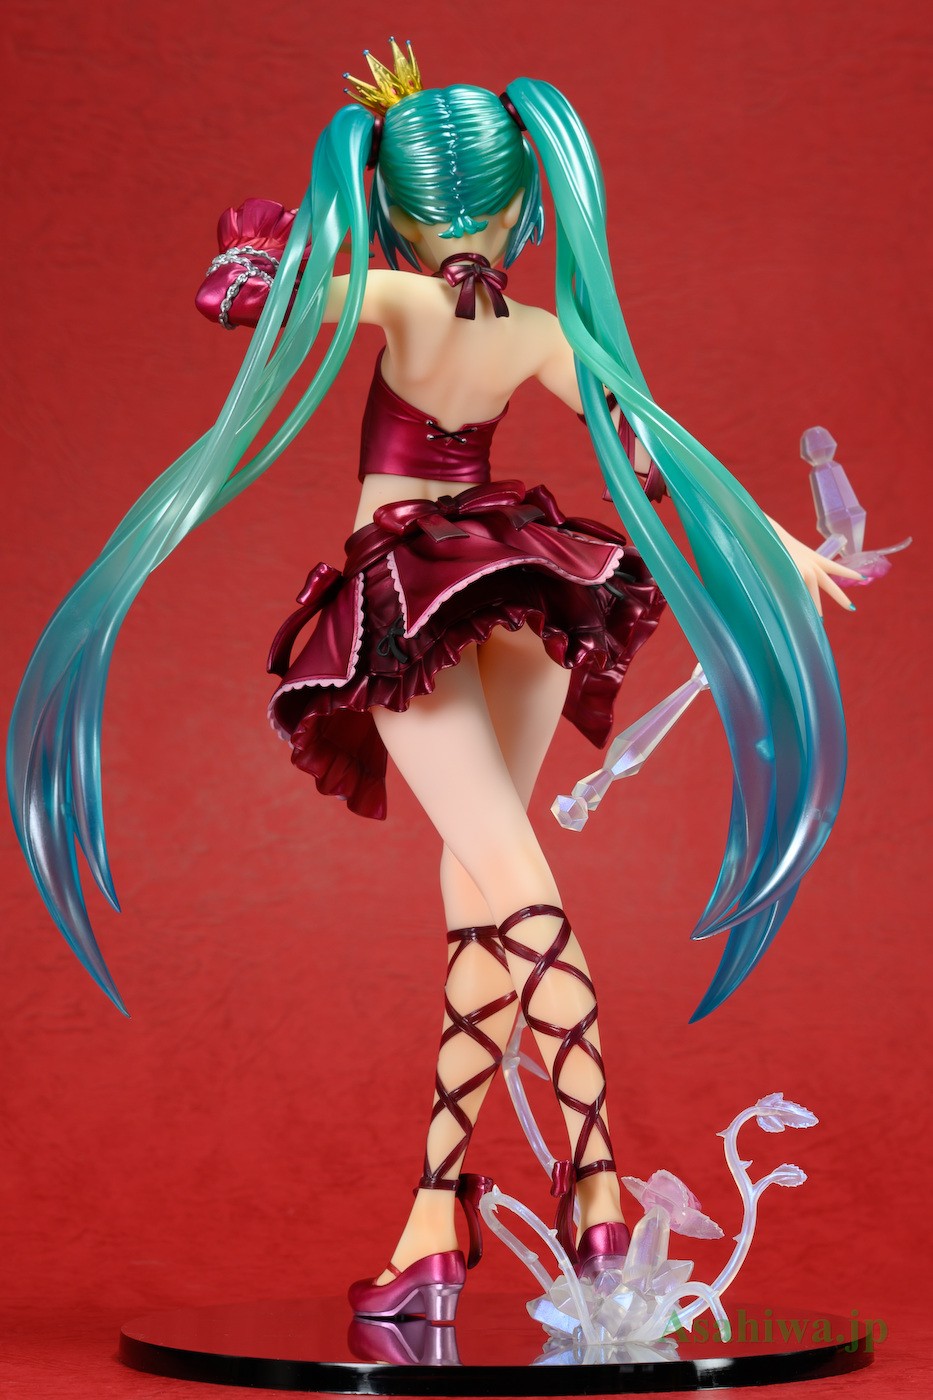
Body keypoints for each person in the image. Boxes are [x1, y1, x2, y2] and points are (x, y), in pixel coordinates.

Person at [6, 43, 857, 1323]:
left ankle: (599, 1186)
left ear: (401, 213)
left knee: (511, 881)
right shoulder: (540, 332)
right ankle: (432, 1223)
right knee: (478, 897)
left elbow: (239, 299)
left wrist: (287, 242)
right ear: (523, 209)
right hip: (517, 588)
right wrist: (780, 545)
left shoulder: (400, 298)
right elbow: (651, 452)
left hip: (416, 597)